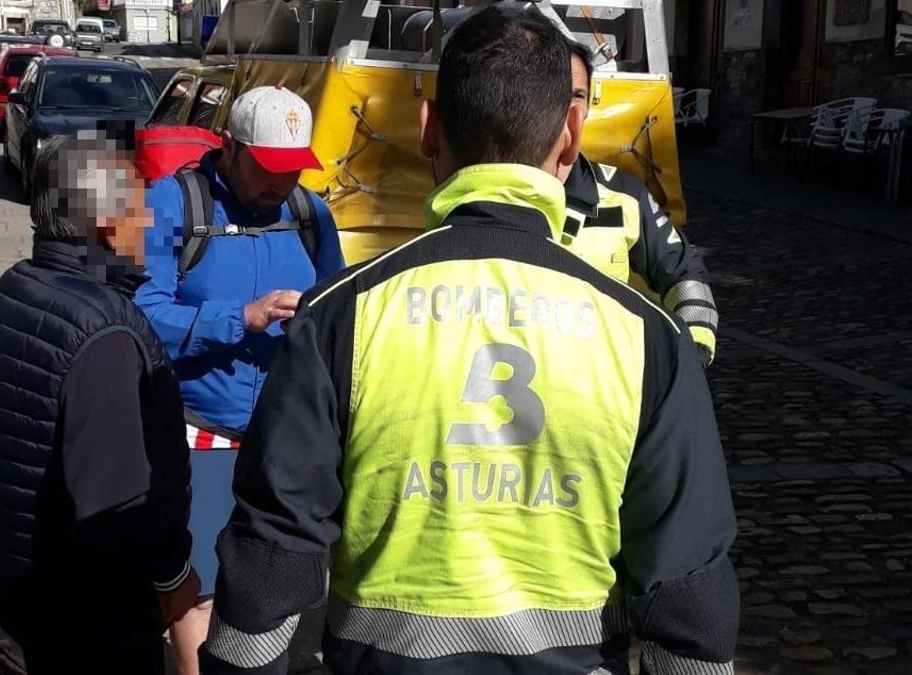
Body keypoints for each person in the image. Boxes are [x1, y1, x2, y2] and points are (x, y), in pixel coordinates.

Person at [200, 6, 739, 675]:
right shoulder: (649, 340)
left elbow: (267, 575)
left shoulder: (339, 316)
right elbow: (689, 604)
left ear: (427, 130)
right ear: (571, 135)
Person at [0, 130, 200, 675]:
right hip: (96, 616)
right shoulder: (105, 333)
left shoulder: (14, 289)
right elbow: (117, 505)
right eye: (139, 210)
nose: (149, 224)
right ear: (106, 224)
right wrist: (171, 578)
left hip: (30, 587)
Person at [134, 85, 345, 665]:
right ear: (229, 146)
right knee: (195, 592)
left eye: (293, 170)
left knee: (281, 594)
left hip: (285, 440)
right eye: (267, 169)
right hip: (199, 430)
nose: (281, 184)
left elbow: (338, 306)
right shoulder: (172, 204)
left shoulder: (309, 212)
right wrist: (240, 319)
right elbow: (141, 315)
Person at [560, 42, 719, 366]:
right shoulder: (489, 190)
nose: (568, 109)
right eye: (555, 94)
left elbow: (683, 272)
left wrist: (690, 357)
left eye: (578, 96)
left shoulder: (623, 193)